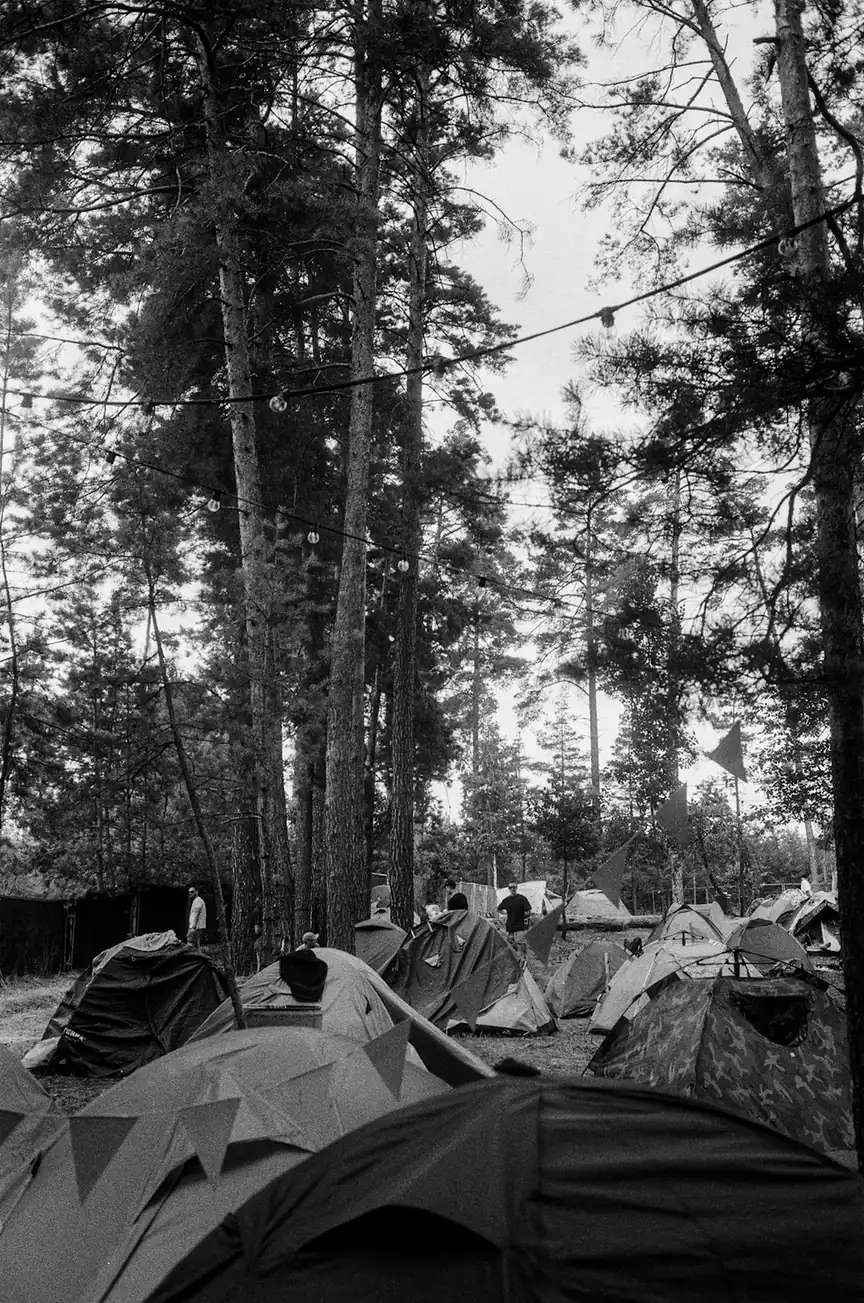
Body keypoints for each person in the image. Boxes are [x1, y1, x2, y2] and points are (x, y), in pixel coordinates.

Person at [497, 882, 531, 952]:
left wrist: (521, 916)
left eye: (514, 887)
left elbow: (529, 912)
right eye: (510, 887)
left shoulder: (522, 899)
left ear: (516, 888)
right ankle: (515, 957)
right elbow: (498, 909)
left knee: (521, 946)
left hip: (520, 927)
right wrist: (505, 914)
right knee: (510, 947)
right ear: (508, 889)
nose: (512, 889)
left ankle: (523, 958)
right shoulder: (506, 900)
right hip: (510, 927)